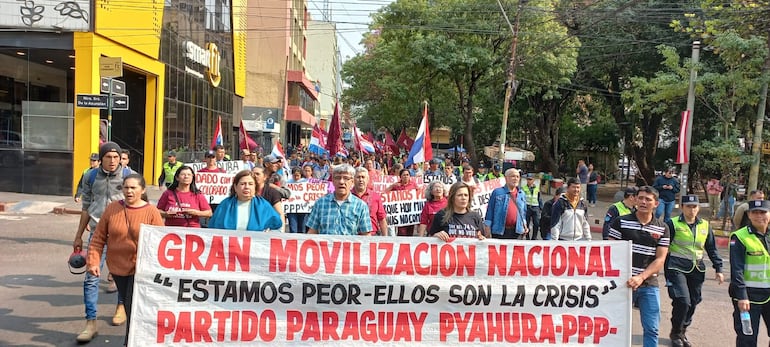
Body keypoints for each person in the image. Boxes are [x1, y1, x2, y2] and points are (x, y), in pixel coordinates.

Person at [86, 174, 163, 346]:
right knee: (130, 307)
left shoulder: (151, 211)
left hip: (141, 270)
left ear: (142, 190)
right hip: (118, 268)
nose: (129, 191)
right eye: (126, 187)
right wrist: (93, 261)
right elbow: (98, 238)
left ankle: (131, 342)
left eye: (133, 187)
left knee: (132, 307)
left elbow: (161, 242)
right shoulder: (113, 208)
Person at [72, 142, 135, 343]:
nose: (112, 161)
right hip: (97, 234)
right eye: (108, 157)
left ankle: (121, 306)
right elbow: (86, 206)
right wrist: (78, 235)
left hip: (122, 235)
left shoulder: (128, 177)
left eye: (116, 157)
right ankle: (90, 322)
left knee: (122, 277)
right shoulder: (91, 176)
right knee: (91, 277)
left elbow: (139, 206)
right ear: (101, 158)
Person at [608, 186, 670, 347]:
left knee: (652, 328)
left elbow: (660, 259)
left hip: (648, 285)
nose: (643, 202)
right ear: (634, 200)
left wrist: (640, 277)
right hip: (621, 284)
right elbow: (610, 253)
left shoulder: (663, 228)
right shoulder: (620, 222)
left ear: (656, 203)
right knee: (614, 327)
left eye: (648, 199)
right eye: (640, 198)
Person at [665, 195, 724, 347]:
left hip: (697, 269)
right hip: (676, 267)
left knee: (694, 301)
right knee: (683, 301)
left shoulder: (705, 225)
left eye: (694, 206)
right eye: (689, 206)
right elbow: (663, 247)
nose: (692, 210)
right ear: (682, 207)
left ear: (698, 208)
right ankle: (676, 333)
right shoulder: (672, 223)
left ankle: (683, 330)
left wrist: (719, 268)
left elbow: (711, 248)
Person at [729, 199, 770, 347]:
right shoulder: (740, 236)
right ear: (749, 215)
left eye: (763, 212)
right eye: (755, 212)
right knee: (747, 339)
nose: (759, 216)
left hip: (769, 294)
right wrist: (742, 296)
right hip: (748, 297)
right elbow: (736, 269)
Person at [306, 164, 372, 235]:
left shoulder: (361, 206)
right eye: (338, 178)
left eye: (346, 178)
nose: (341, 182)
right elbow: (312, 232)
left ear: (352, 182)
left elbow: (366, 236)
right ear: (333, 181)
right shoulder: (320, 204)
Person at [208, 170, 283, 231]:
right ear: (235, 187)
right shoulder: (225, 205)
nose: (246, 187)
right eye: (242, 184)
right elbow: (212, 230)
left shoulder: (264, 206)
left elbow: (277, 227)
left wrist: (270, 232)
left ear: (255, 187)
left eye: (250, 184)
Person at [484, 168, 528, 239]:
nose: (515, 179)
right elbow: (490, 211)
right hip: (500, 231)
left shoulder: (521, 194)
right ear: (506, 178)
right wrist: (487, 227)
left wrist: (525, 225)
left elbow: (523, 212)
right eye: (513, 176)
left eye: (517, 177)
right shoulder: (497, 192)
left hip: (517, 231)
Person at [352, 167, 388, 236]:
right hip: (352, 237)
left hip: (372, 237)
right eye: (358, 177)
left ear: (367, 179)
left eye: (363, 177)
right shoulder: (347, 196)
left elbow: (382, 219)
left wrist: (385, 238)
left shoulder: (375, 196)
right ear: (353, 179)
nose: (361, 180)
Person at [251, 165, 285, 230]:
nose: (254, 176)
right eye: (252, 174)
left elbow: (279, 213)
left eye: (257, 174)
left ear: (265, 177)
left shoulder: (272, 192)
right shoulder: (246, 192)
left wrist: (281, 232)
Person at [387, 169, 419, 236]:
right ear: (400, 176)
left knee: (410, 233)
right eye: (404, 175)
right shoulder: (396, 185)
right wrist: (392, 186)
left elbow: (419, 194)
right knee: (402, 233)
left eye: (407, 175)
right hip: (401, 214)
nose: (406, 176)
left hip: (411, 213)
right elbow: (384, 193)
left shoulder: (413, 184)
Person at [522, 174, 542, 240]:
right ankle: (527, 237)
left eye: (530, 179)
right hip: (527, 207)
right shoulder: (523, 188)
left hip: (535, 207)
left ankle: (534, 237)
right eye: (528, 179)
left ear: (533, 180)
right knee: (526, 223)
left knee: (536, 223)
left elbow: (539, 198)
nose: (529, 181)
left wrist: (541, 208)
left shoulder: (537, 189)